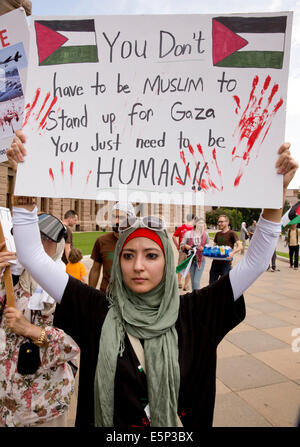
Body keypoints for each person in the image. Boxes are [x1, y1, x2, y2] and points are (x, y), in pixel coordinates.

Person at [7, 134, 298, 427]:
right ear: (118, 262)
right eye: (128, 256)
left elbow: (257, 261)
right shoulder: (96, 312)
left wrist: (273, 196)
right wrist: (25, 189)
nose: (138, 266)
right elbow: (34, 255)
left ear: (167, 261)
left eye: (151, 256)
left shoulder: (196, 313)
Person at [0, 213, 80, 427]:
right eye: (34, 239)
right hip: (6, 402)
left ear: (58, 245)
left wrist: (31, 330)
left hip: (45, 406)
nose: (39, 246)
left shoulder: (67, 287)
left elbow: (74, 344)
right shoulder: (10, 277)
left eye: (48, 241)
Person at [88, 202, 136, 292]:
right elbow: (95, 269)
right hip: (106, 296)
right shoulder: (102, 241)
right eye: (114, 217)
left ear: (130, 219)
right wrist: (90, 294)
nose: (116, 221)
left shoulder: (137, 241)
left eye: (121, 218)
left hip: (131, 298)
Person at [209, 215, 243, 284]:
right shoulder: (217, 234)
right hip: (215, 263)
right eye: (218, 222)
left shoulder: (232, 233)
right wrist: (210, 251)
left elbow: (240, 246)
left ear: (227, 222)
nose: (219, 224)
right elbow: (214, 247)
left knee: (224, 286)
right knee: (211, 285)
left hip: (226, 264)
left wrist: (232, 253)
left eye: (221, 222)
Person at [180, 218, 210, 290]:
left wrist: (204, 249)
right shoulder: (188, 234)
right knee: (193, 282)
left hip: (201, 260)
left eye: (202, 223)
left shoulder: (206, 235)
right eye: (199, 223)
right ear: (195, 224)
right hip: (191, 260)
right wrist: (185, 246)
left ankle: (199, 299)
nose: (201, 225)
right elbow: (181, 245)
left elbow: (208, 247)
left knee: (196, 282)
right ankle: (195, 298)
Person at [172, 214, 194, 290]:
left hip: (183, 249)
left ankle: (179, 283)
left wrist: (177, 245)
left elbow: (173, 236)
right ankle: (186, 285)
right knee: (189, 267)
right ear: (193, 219)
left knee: (181, 266)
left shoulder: (181, 227)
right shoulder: (194, 229)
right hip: (191, 250)